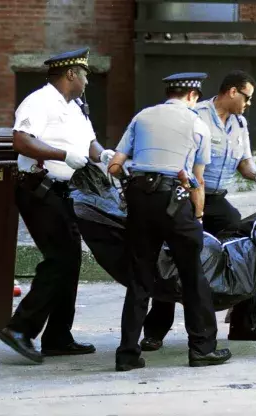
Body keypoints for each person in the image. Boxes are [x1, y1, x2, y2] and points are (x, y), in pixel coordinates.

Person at [139, 70, 256, 353]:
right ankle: (155, 332)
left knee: (246, 251)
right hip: (188, 197)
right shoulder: (197, 114)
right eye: (247, 97)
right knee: (172, 260)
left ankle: (244, 325)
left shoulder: (240, 123)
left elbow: (245, 162)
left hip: (218, 199)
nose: (248, 104)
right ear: (233, 92)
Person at [107, 72, 232, 371]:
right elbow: (197, 181)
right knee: (193, 276)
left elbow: (114, 166)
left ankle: (127, 354)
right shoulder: (197, 124)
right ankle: (201, 349)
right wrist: (198, 218)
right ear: (192, 95)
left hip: (139, 197)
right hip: (175, 201)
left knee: (140, 279)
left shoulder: (142, 117)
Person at [0, 47, 116, 363]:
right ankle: (20, 329)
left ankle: (58, 336)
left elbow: (88, 144)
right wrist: (62, 156)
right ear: (71, 74)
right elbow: (21, 140)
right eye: (86, 74)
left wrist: (102, 154)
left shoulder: (75, 107)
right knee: (59, 258)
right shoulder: (40, 101)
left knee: (71, 260)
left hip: (65, 191)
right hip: (40, 188)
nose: (88, 81)